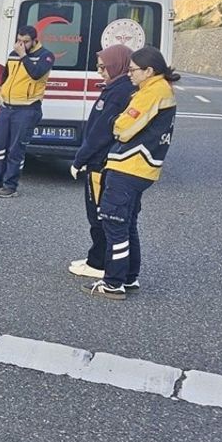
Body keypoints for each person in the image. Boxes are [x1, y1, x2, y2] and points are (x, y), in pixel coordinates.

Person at [81, 45, 178, 300]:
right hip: (143, 169)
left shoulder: (151, 93)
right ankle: (129, 277)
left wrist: (116, 122)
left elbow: (123, 127)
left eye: (134, 70)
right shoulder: (159, 89)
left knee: (114, 225)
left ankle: (113, 283)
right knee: (128, 224)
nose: (130, 74)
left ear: (149, 70)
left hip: (128, 166)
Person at [67, 45, 136, 281]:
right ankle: (102, 260)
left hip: (102, 163)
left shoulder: (118, 93)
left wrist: (80, 159)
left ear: (116, 65)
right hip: (106, 161)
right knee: (105, 216)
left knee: (99, 215)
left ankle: (98, 262)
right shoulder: (118, 88)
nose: (100, 72)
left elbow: (100, 133)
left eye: (103, 67)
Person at [0, 25, 55, 198]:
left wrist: (24, 56)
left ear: (35, 40)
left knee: (16, 149)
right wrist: (1, 92)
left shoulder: (46, 56)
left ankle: (10, 185)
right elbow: (6, 75)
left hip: (27, 108)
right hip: (7, 106)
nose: (21, 45)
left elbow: (36, 74)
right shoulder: (13, 54)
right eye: (19, 41)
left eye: (25, 42)